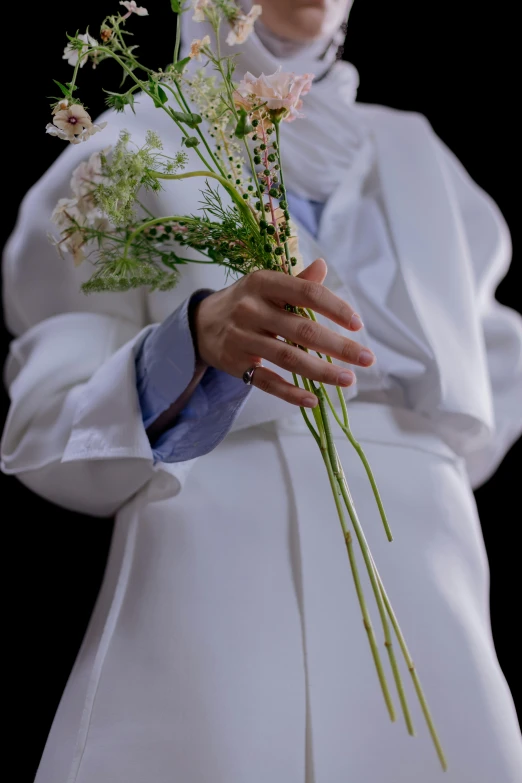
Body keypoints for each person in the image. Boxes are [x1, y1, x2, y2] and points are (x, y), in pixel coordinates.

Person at [2, 0, 521, 780]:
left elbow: (493, 383)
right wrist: (191, 340)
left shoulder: (417, 155)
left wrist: (410, 467)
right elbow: (48, 418)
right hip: (221, 569)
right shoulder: (128, 148)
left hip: (424, 578)